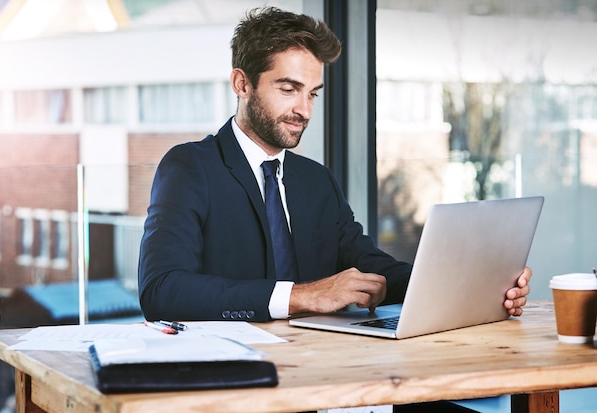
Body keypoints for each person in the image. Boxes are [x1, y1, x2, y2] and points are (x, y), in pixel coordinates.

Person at [138, 6, 531, 325]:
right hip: (236, 382)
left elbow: (370, 266)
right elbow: (162, 291)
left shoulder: (315, 180)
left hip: (325, 369)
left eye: (313, 94)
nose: (304, 110)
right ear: (242, 84)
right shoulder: (190, 167)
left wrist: (467, 286)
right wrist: (304, 296)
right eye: (288, 89)